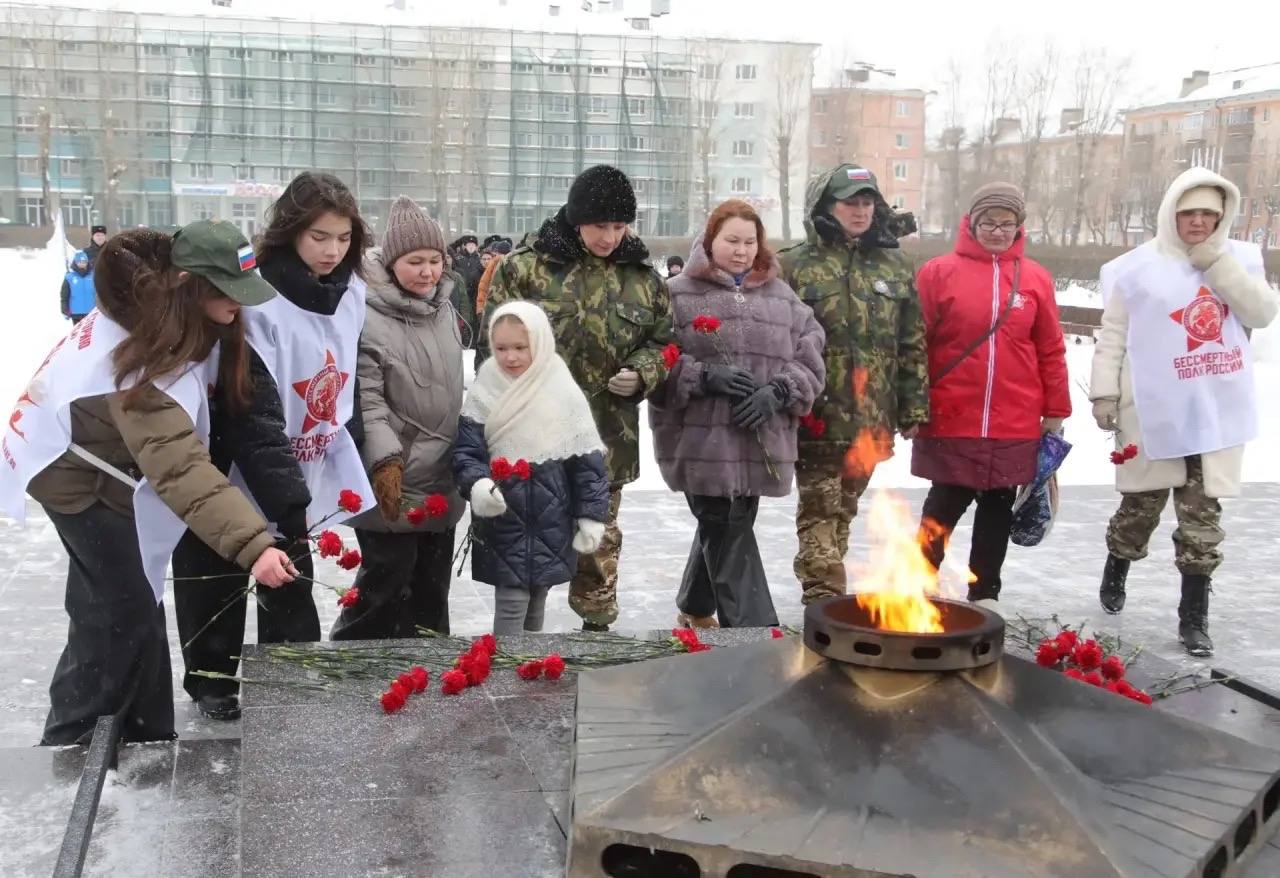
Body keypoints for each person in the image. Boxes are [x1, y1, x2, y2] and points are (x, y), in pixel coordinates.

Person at [0, 222, 297, 745]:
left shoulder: (167, 313)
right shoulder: (144, 352)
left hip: (108, 467)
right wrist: (254, 546)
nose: (241, 307)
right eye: (230, 293)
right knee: (116, 615)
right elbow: (178, 465)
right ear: (190, 283)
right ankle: (69, 745)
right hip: (77, 481)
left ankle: (147, 734)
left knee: (135, 606)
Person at [171, 172, 374, 719]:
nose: (332, 251)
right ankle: (212, 678)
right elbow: (248, 407)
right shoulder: (256, 296)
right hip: (235, 453)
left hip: (303, 447)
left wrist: (346, 444)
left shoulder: (353, 292)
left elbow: (346, 376)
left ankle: (290, 671)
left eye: (343, 238)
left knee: (287, 571)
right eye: (318, 238)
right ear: (289, 233)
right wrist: (284, 492)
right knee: (219, 570)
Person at [1091, 167, 1278, 657]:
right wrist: (1104, 394)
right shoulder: (1135, 268)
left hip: (1214, 411)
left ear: (1223, 217)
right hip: (1152, 413)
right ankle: (1118, 562)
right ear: (1172, 212)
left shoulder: (1239, 259)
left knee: (1202, 520)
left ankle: (1193, 617)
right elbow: (1112, 335)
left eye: (1208, 214)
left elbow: (1261, 312)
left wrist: (1216, 263)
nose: (1197, 222)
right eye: (1189, 212)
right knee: (1140, 511)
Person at [480, 164, 673, 631]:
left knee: (598, 540)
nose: (609, 237)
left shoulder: (642, 278)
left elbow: (665, 342)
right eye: (598, 226)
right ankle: (524, 640)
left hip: (607, 435)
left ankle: (596, 631)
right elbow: (494, 345)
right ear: (575, 218)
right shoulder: (525, 269)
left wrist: (643, 371)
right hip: (535, 437)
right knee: (535, 536)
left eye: (619, 226)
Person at [651, 199, 825, 628]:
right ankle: (754, 631)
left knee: (730, 521)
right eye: (732, 240)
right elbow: (653, 358)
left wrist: (780, 391)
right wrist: (702, 375)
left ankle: (694, 603)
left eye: (750, 241)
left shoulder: (782, 298)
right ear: (710, 240)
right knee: (724, 522)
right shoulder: (676, 294)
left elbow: (812, 353)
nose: (742, 250)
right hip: (700, 441)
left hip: (758, 439)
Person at [913, 183, 1070, 607]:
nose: (997, 231)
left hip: (1014, 416)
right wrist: (909, 400)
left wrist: (1055, 410)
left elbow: (1050, 346)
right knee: (943, 504)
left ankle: (985, 593)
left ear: (1019, 227)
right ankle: (923, 581)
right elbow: (913, 343)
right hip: (951, 412)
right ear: (971, 223)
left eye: (1007, 223)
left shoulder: (1035, 277)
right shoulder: (938, 272)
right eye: (989, 222)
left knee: (997, 509)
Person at [779, 164, 929, 605]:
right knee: (820, 509)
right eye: (850, 202)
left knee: (842, 510)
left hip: (871, 416)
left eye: (867, 202)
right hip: (817, 415)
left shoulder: (896, 265)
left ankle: (825, 590)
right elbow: (777, 338)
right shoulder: (794, 265)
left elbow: (912, 341)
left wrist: (914, 407)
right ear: (827, 206)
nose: (860, 211)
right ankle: (822, 601)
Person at [332, 197, 465, 639]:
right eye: (415, 261)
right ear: (391, 264)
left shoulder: (443, 306)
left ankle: (425, 670)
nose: (427, 272)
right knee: (384, 583)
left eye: (434, 260)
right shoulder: (367, 314)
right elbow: (366, 398)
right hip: (394, 474)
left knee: (431, 590)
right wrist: (385, 460)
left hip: (440, 473)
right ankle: (353, 658)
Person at [453, 301, 610, 635]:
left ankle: (528, 665)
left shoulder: (560, 389)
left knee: (538, 597)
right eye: (501, 348)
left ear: (539, 342)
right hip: (503, 518)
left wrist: (591, 515)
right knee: (511, 600)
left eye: (521, 347)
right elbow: (467, 452)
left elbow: (586, 462)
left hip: (551, 518)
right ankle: (506, 665)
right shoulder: (485, 390)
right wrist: (478, 485)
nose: (510, 357)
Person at [451, 231, 483, 341]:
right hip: (462, 292)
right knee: (463, 317)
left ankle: (473, 340)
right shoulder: (459, 258)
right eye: (469, 245)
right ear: (465, 246)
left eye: (473, 245)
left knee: (474, 318)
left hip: (475, 293)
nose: (471, 247)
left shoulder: (480, 259)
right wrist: (458, 242)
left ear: (476, 246)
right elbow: (449, 250)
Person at [474, 238, 513, 319]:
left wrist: (480, 309)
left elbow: (483, 287)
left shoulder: (494, 263)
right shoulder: (514, 263)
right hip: (506, 307)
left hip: (496, 307)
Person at [60, 250, 96, 323]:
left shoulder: (93, 276)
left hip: (92, 312)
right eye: (80, 262)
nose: (82, 264)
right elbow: (64, 295)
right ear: (76, 262)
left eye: (84, 262)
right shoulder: (69, 277)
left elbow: (98, 293)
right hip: (76, 313)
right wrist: (65, 309)